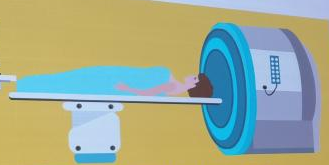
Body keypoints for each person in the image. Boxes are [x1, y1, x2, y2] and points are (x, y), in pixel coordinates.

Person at [16, 66, 213, 98]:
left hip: (119, 81)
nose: (192, 75)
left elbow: (146, 93)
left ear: (194, 86)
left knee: (72, 81)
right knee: (71, 80)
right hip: (120, 75)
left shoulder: (173, 86)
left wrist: (125, 88)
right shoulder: (173, 83)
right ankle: (26, 84)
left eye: (195, 78)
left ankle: (26, 85)